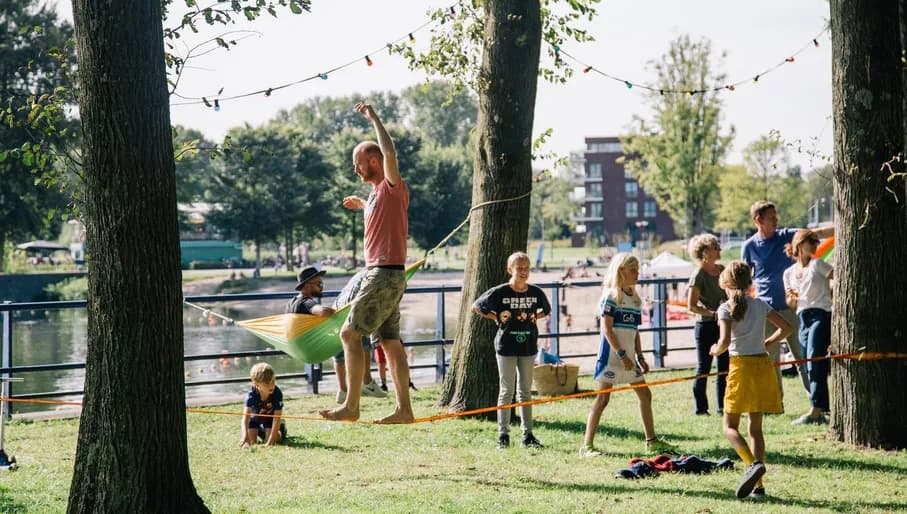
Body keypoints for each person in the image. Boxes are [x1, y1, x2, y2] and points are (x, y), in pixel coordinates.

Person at [320, 103, 413, 424]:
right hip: (388, 274)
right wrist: (363, 206)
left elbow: (390, 154)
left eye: (357, 162)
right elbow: (383, 222)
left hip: (383, 274)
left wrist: (374, 119)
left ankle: (352, 406)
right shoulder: (376, 196)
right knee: (390, 342)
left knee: (348, 334)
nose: (355, 168)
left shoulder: (391, 186)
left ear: (373, 161)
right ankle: (404, 410)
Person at [580, 253, 678, 457]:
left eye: (637, 269)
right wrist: (622, 354)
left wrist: (640, 357)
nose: (637, 273)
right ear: (620, 271)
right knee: (602, 400)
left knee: (645, 394)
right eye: (632, 269)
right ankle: (587, 446)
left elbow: (634, 332)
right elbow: (607, 330)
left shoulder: (634, 298)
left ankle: (651, 441)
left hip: (629, 358)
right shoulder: (611, 296)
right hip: (611, 357)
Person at [710, 261, 793, 499]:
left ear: (725, 285)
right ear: (749, 283)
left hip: (741, 367)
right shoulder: (760, 304)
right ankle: (759, 487)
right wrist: (767, 343)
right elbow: (786, 327)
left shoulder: (726, 308)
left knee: (729, 427)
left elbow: (724, 342)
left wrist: (715, 349)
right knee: (755, 429)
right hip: (762, 365)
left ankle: (750, 464)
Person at [741, 200, 834, 403]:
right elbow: (744, 278)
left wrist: (840, 227)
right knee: (771, 359)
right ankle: (775, 402)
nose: (776, 220)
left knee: (804, 356)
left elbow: (815, 233)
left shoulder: (786, 236)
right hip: (766, 311)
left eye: (776, 216)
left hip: (794, 309)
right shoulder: (749, 247)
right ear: (758, 220)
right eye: (771, 217)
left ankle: (816, 403)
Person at [473, 251, 551, 449]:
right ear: (510, 270)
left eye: (526, 268)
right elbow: (477, 307)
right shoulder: (500, 292)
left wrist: (535, 318)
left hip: (528, 345)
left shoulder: (535, 292)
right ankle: (503, 435)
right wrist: (497, 317)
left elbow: (547, 310)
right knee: (506, 391)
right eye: (519, 269)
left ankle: (528, 435)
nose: (523, 272)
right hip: (506, 346)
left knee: (525, 391)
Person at [783, 230, 833, 425]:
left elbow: (836, 277)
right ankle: (822, 407)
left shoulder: (817, 264)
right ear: (799, 244)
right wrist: (791, 297)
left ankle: (816, 409)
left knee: (814, 358)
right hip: (802, 316)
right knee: (808, 362)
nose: (815, 244)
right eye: (811, 241)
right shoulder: (788, 273)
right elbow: (792, 304)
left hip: (821, 313)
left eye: (816, 241)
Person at [686, 234, 729, 416]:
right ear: (705, 252)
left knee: (724, 367)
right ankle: (701, 409)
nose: (719, 249)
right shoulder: (698, 275)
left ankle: (723, 407)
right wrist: (712, 313)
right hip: (705, 327)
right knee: (704, 367)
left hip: (723, 325)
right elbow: (691, 307)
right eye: (715, 247)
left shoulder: (723, 270)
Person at [239, 362, 285, 447]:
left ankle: (280, 430)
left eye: (273, 381)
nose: (271, 385)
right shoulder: (251, 394)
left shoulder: (277, 393)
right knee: (251, 441)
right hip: (255, 420)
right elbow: (245, 418)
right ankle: (261, 430)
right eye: (267, 383)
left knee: (275, 440)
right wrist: (244, 435)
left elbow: (277, 418)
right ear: (256, 384)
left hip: (270, 419)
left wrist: (270, 442)